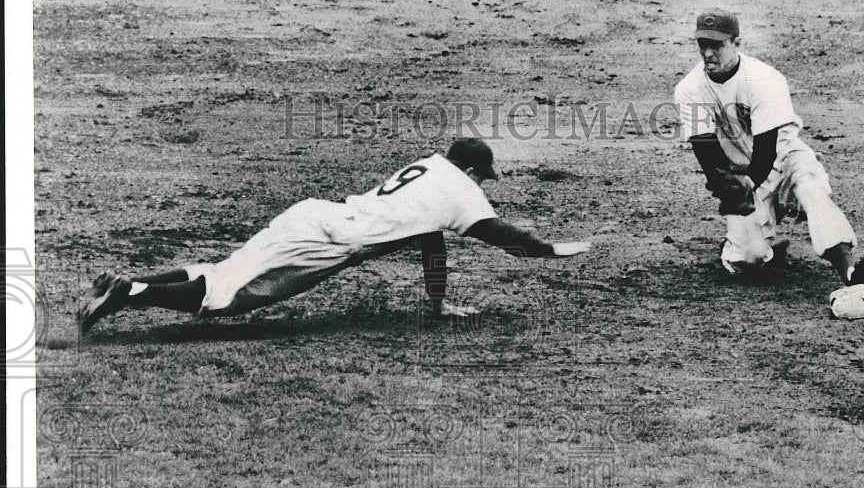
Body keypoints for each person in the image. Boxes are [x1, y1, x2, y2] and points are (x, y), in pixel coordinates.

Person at [78, 139, 591, 333]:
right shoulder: (464, 194)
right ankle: (129, 294)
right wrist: (551, 250)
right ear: (477, 172)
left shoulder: (429, 167)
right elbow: (503, 237)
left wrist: (436, 304)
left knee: (222, 271)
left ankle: (129, 283)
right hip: (327, 244)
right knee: (225, 302)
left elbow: (430, 241)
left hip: (313, 213)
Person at [673, 9, 864, 285]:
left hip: (784, 158)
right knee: (747, 261)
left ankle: (850, 271)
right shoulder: (689, 90)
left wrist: (747, 185)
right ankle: (757, 250)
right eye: (703, 45)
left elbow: (766, 151)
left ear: (737, 42)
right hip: (741, 174)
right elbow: (708, 154)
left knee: (811, 190)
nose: (708, 53)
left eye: (717, 45)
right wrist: (732, 189)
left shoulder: (764, 79)